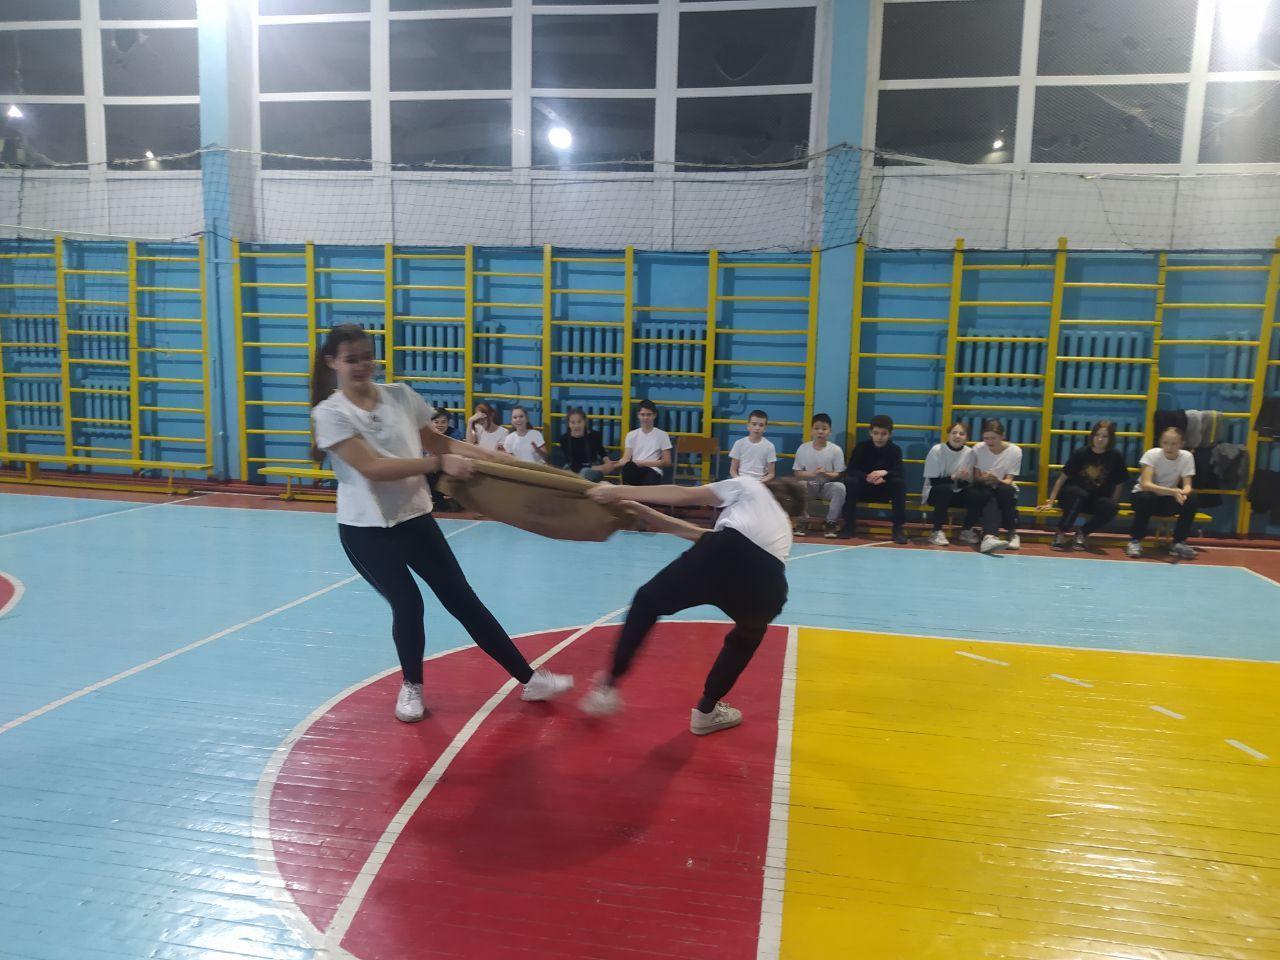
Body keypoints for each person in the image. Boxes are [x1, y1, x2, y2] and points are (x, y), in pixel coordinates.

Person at [309, 325, 572, 722]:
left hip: (414, 518)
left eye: (367, 357)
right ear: (333, 362)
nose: (362, 365)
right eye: (351, 359)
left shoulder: (400, 396)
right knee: (408, 603)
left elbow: (441, 443)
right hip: (365, 532)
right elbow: (373, 467)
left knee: (462, 598)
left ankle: (529, 679)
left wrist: (494, 459)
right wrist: (437, 465)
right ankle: (411, 686)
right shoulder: (330, 414)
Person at [580, 475, 804, 736]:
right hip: (768, 586)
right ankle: (706, 712)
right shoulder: (783, 529)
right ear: (793, 515)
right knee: (746, 638)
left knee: (647, 601)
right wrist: (641, 510)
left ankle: (608, 687)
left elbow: (685, 495)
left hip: (720, 553)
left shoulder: (751, 486)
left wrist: (617, 491)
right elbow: (700, 536)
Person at [1039, 420, 1130, 549]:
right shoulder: (1081, 453)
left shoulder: (1115, 456)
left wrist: (1111, 502)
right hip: (1073, 498)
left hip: (1095, 499)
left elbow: (1119, 483)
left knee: (1112, 507)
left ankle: (1082, 533)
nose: (1100, 439)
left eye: (1105, 436)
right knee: (1078, 494)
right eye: (1097, 435)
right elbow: (1062, 478)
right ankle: (1061, 532)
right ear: (1092, 436)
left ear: (1111, 439)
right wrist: (1051, 501)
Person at [921, 421, 1006, 553]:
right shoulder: (937, 450)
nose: (957, 436)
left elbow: (964, 484)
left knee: (979, 493)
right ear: (948, 435)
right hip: (935, 492)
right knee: (944, 489)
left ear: (966, 437)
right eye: (954, 433)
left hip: (956, 492)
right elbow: (934, 481)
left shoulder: (970, 453)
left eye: (962, 434)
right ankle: (936, 531)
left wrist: (965, 480)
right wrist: (953, 477)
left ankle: (967, 529)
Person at [1126, 426, 1198, 560]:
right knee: (1147, 498)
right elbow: (1146, 484)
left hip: (1166, 500)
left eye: (1174, 444)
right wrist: (1172, 491)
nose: (1169, 447)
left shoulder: (1187, 457)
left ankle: (1179, 542)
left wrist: (1183, 493)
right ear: (1161, 442)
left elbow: (1188, 485)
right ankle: (1135, 541)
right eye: (1165, 443)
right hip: (1143, 497)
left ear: (1181, 444)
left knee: (1192, 499)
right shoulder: (1152, 454)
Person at [842, 414, 908, 544]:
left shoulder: (895, 450)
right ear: (870, 433)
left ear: (890, 434)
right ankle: (849, 525)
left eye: (883, 434)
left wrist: (885, 474)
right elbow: (852, 469)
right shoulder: (861, 447)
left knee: (899, 484)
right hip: (864, 488)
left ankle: (898, 528)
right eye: (876, 433)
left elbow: (898, 471)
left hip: (884, 489)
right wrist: (867, 478)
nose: (879, 437)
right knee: (850, 481)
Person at [961, 419, 1022, 550]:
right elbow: (976, 476)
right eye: (986, 438)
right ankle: (999, 534)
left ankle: (992, 534)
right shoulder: (978, 448)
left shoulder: (1015, 451)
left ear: (1002, 436)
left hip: (1001, 485)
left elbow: (1009, 480)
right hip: (982, 486)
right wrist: (983, 478)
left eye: (993, 438)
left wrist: (996, 480)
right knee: (985, 494)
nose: (989, 442)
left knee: (1005, 492)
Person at [792, 413, 845, 538]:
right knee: (800, 485)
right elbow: (797, 473)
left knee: (840, 487)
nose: (820, 432)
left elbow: (839, 474)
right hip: (810, 486)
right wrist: (812, 474)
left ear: (830, 431)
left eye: (824, 429)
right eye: (816, 428)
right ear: (811, 430)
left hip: (827, 486)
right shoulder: (803, 448)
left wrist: (825, 474)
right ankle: (803, 521)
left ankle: (831, 522)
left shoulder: (836, 450)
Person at [607, 399, 672, 486]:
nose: (645, 418)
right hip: (635, 469)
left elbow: (667, 461)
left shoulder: (662, 435)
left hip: (653, 470)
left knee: (649, 476)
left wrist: (643, 463)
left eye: (649, 414)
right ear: (638, 415)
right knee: (628, 467)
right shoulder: (631, 435)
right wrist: (614, 464)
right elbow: (626, 458)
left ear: (654, 415)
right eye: (643, 414)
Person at [558, 408, 612, 482]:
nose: (577, 425)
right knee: (564, 473)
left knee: (585, 472)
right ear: (568, 424)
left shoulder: (595, 435)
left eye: (579, 422)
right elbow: (571, 463)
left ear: (585, 422)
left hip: (592, 466)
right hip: (573, 467)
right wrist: (598, 467)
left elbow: (601, 450)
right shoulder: (564, 439)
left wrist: (607, 463)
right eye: (573, 423)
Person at [728, 409, 777, 481]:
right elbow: (732, 471)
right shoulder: (739, 443)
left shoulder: (770, 446)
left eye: (761, 425)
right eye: (754, 424)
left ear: (765, 428)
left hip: (760, 482)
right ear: (748, 425)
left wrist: (760, 482)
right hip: (741, 481)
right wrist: (740, 481)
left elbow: (771, 474)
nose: (757, 428)